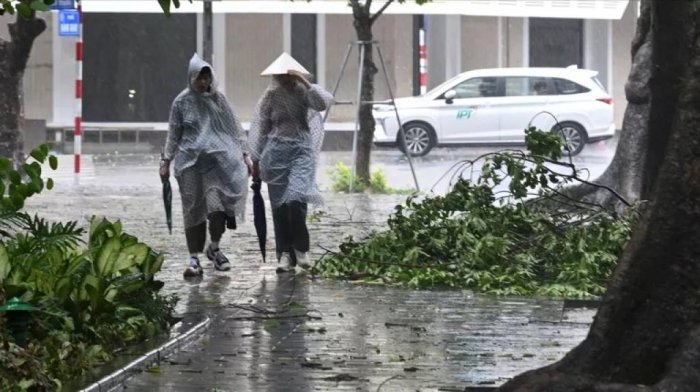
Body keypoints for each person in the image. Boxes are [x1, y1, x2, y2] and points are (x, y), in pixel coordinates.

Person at [160, 53, 253, 278]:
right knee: (193, 211)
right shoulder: (181, 102)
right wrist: (166, 160)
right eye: (199, 78)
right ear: (191, 78)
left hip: (216, 165)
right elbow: (174, 134)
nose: (203, 83)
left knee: (217, 209)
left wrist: (246, 155)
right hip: (189, 164)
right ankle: (194, 257)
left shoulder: (218, 100)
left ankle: (215, 247)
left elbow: (235, 128)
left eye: (206, 78)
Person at [248, 52, 333, 273]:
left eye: (288, 74)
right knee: (280, 206)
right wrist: (255, 160)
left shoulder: (303, 92)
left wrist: (304, 81)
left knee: (296, 199)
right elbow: (260, 128)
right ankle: (285, 253)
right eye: (280, 75)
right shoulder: (270, 97)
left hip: (301, 151)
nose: (284, 79)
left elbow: (323, 103)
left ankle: (301, 249)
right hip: (275, 154)